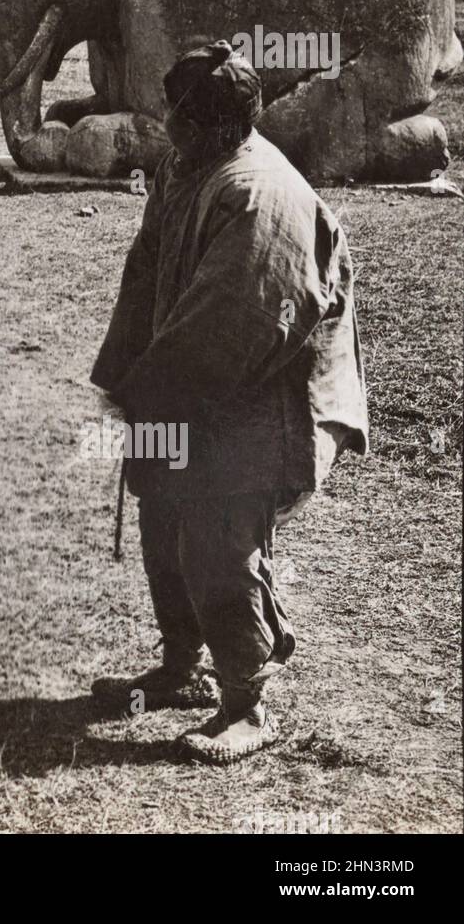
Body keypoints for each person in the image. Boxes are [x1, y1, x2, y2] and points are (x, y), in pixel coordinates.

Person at [89, 41, 368, 764]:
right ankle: (179, 665)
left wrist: (156, 392)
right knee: (161, 515)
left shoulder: (260, 192)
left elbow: (238, 316)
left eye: (180, 118)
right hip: (187, 382)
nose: (167, 128)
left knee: (217, 538)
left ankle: (245, 702)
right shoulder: (184, 169)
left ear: (219, 124)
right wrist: (127, 371)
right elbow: (145, 271)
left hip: (263, 391)